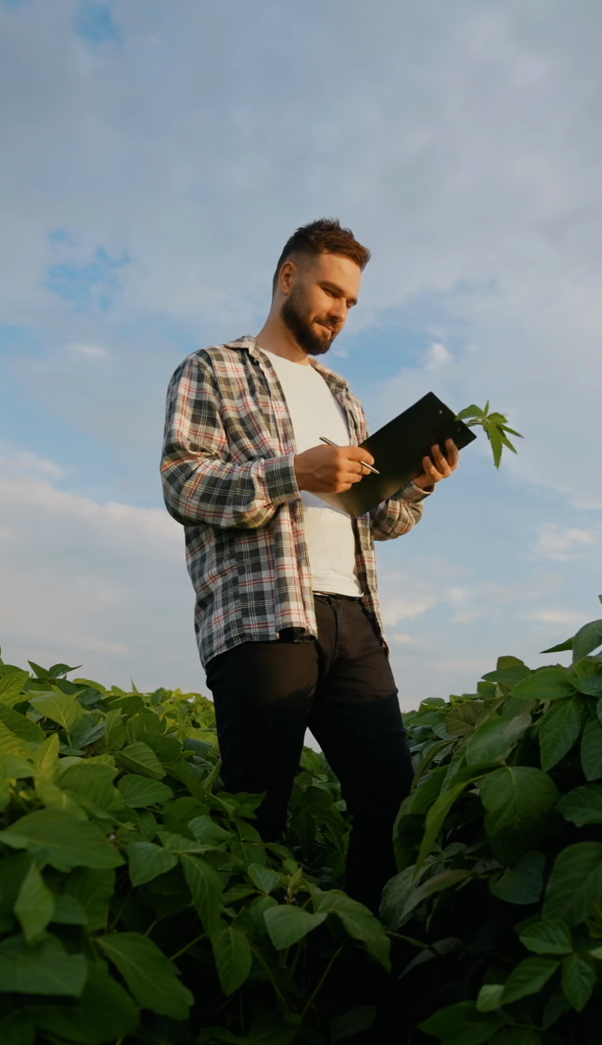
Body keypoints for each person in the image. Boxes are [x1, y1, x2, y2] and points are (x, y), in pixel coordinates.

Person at [160, 219, 457, 908]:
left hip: (354, 616)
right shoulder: (213, 368)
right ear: (288, 277)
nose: (340, 311)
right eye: (330, 292)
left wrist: (417, 484)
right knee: (257, 811)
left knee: (390, 796)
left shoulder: (343, 395)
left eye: (351, 302)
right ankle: (253, 958)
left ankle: (361, 954)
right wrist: (294, 472)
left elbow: (377, 519)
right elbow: (183, 484)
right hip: (262, 616)